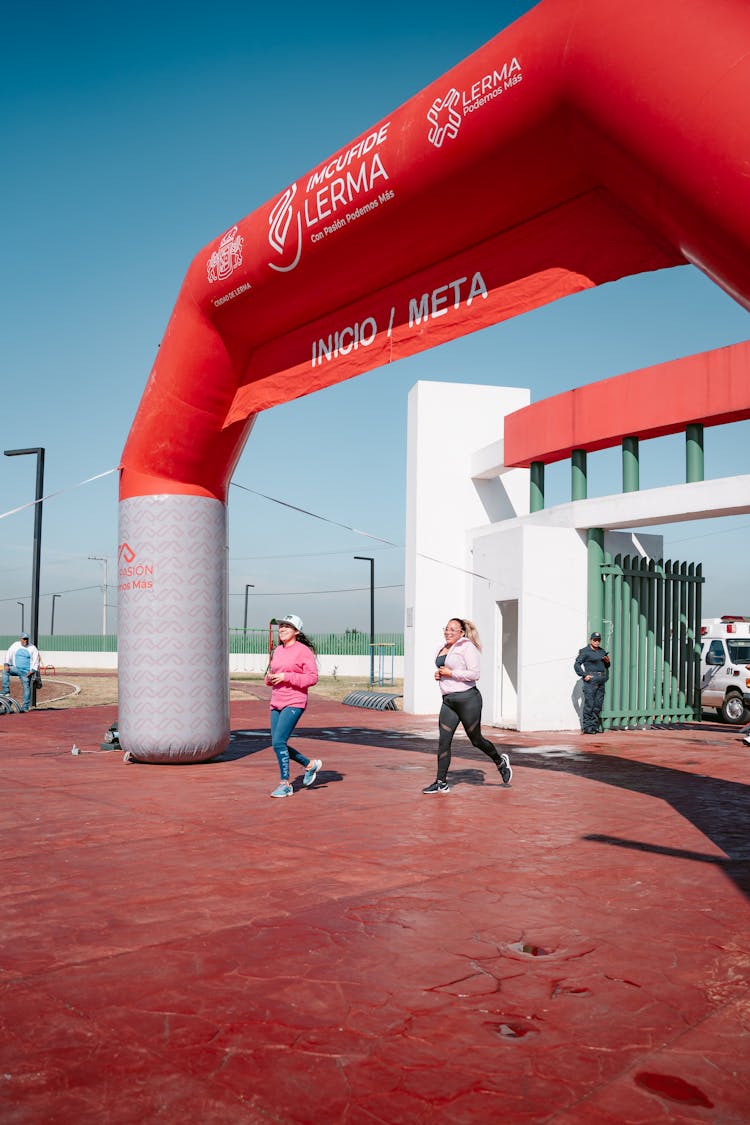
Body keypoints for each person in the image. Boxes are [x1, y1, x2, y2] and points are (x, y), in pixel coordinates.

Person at [424, 617, 512, 794]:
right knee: (443, 742)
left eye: (452, 629)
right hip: (448, 701)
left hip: (468, 700)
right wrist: (440, 674)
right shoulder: (442, 648)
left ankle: (500, 761)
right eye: (446, 628)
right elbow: (447, 670)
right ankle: (441, 782)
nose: (448, 632)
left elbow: (474, 674)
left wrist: (451, 673)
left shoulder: (467, 647)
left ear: (461, 632)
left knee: (476, 739)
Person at [265, 614, 322, 798]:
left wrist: (286, 677)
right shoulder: (278, 650)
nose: (282, 629)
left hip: (294, 701)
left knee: (279, 741)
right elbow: (272, 673)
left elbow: (312, 678)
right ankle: (310, 765)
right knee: (277, 743)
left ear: (296, 631)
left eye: (287, 627)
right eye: (281, 626)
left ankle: (285, 784)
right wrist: (270, 679)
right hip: (276, 701)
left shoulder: (303, 651)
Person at [574, 631, 611, 734]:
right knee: (589, 704)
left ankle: (594, 726)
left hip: (601, 680)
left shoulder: (602, 651)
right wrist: (584, 675)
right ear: (590, 640)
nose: (597, 642)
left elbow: (606, 666)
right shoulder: (584, 651)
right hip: (591, 680)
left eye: (598, 640)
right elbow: (577, 665)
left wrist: (608, 662)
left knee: (598, 705)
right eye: (595, 640)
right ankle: (587, 727)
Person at [2, 632, 40, 712]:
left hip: (26, 672)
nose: (25, 641)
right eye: (24, 639)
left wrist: (32, 671)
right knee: (5, 670)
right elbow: (8, 653)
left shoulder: (32, 648)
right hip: (16, 668)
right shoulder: (15, 645)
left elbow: (36, 660)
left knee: (26, 687)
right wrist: (6, 664)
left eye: (27, 639)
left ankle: (25, 707)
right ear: (20, 639)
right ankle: (6, 690)